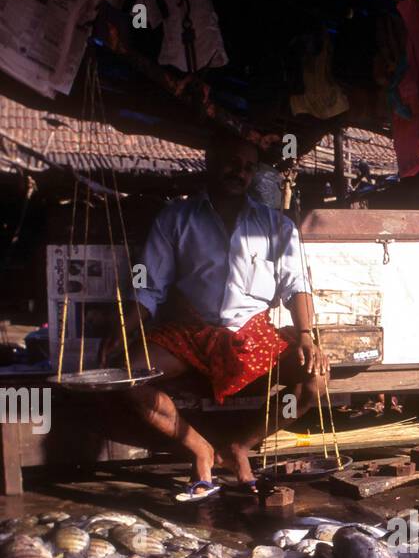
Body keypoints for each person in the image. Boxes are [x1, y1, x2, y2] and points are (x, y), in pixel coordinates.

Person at [107, 133, 327, 498]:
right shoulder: (175, 218)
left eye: (248, 167)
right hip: (191, 333)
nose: (239, 173)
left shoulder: (277, 227)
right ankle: (199, 447)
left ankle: (240, 447)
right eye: (230, 162)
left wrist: (306, 334)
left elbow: (296, 284)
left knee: (314, 381)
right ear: (209, 161)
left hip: (253, 334)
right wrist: (124, 327)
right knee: (129, 379)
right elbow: (147, 283)